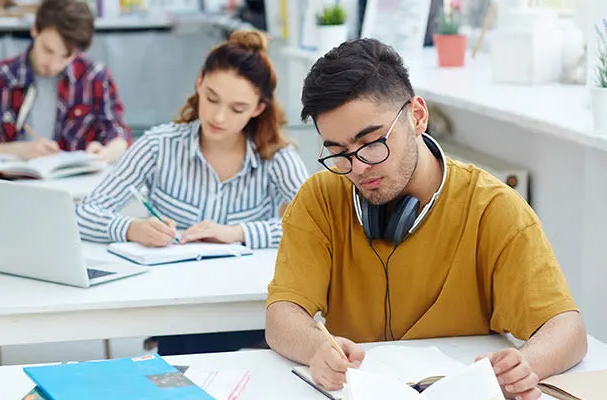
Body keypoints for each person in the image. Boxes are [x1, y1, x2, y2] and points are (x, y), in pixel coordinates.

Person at [265, 38, 587, 400]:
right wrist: (314, 349)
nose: (358, 168)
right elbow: (282, 315)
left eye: (372, 143)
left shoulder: (494, 208)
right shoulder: (319, 199)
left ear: (417, 116)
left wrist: (527, 364)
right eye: (339, 153)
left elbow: (567, 328)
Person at [76, 30, 309, 355]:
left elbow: (315, 227)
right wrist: (132, 228)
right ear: (199, 82)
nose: (218, 116)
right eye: (212, 98)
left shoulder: (276, 156)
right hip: (176, 310)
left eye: (237, 107)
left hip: (250, 310)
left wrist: (238, 233)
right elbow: (84, 214)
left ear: (258, 108)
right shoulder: (159, 145)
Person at [0, 0, 131, 162]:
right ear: (35, 30)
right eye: (48, 50)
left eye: (66, 56)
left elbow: (118, 133)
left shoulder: (95, 77)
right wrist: (19, 151)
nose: (53, 65)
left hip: (75, 186)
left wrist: (107, 152)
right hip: (9, 185)